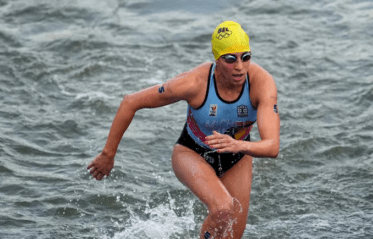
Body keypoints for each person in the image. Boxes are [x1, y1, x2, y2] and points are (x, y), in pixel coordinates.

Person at [87, 21, 280, 239]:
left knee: (232, 234)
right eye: (230, 58)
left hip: (237, 157)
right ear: (217, 59)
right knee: (223, 208)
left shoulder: (261, 84)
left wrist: (238, 146)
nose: (239, 66)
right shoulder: (194, 83)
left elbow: (272, 146)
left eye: (245, 57)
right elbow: (131, 102)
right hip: (192, 152)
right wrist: (108, 154)